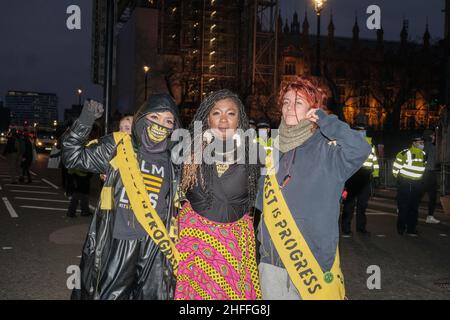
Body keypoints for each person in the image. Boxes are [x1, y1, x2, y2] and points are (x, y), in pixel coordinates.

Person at [256, 76, 371, 300]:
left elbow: (360, 149)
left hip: (312, 263)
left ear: (313, 110)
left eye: (299, 103)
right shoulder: (273, 150)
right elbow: (260, 201)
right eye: (286, 102)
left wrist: (324, 120)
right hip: (272, 262)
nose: (290, 108)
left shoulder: (328, 149)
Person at [63, 94, 180, 299]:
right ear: (142, 117)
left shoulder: (175, 158)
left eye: (168, 121)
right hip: (120, 241)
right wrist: (85, 120)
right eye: (155, 118)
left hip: (156, 245)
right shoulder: (118, 146)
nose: (161, 125)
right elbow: (72, 157)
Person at [175, 89, 262, 300]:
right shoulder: (188, 151)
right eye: (216, 113)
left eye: (230, 113)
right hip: (195, 241)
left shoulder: (254, 154)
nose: (223, 119)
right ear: (207, 117)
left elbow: (270, 193)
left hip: (234, 242)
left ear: (239, 118)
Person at [341, 124, 380, 237]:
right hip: (353, 176)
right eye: (360, 131)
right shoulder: (349, 143)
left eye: (364, 130)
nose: (363, 133)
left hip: (366, 176)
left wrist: (376, 175)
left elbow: (374, 160)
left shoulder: (371, 144)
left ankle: (361, 228)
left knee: (362, 205)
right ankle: (346, 229)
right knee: (349, 205)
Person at [393, 135, 427, 236]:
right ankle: (401, 228)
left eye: (423, 142)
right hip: (405, 184)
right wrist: (400, 180)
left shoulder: (424, 154)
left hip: (417, 184)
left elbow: (422, 168)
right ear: (414, 143)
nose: (422, 144)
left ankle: (411, 229)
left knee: (414, 208)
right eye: (419, 142)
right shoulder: (404, 153)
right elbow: (395, 169)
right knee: (403, 207)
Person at [422, 130, 440, 224]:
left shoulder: (433, 146)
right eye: (433, 135)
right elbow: (424, 158)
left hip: (431, 172)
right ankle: (404, 208)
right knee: (419, 195)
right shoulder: (427, 146)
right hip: (427, 173)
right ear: (429, 136)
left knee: (433, 196)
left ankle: (430, 216)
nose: (435, 137)